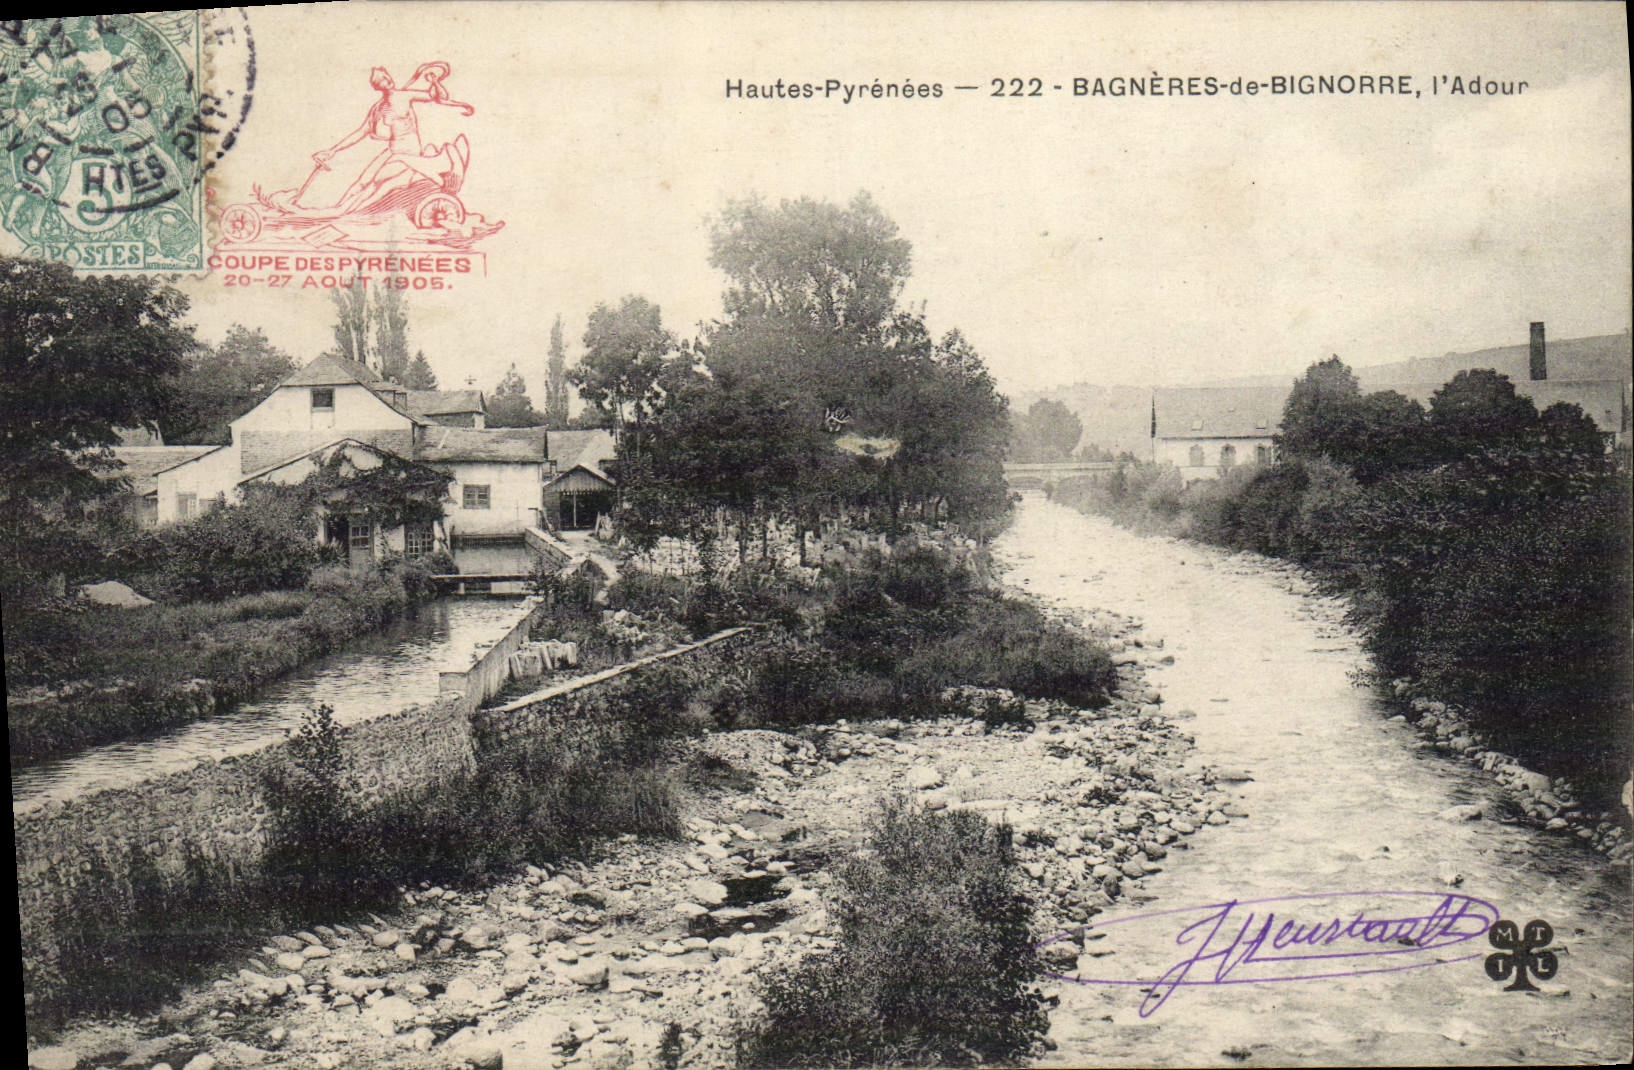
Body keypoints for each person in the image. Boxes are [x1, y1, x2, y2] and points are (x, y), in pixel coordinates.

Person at [280, 62, 472, 214]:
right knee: (360, 183)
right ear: (376, 86)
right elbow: (361, 132)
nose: (386, 80)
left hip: (408, 155)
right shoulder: (378, 108)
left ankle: (338, 212)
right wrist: (333, 150)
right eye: (381, 79)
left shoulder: (404, 96)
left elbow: (439, 97)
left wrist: (434, 81)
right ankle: (332, 209)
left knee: (372, 187)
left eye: (386, 76)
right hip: (392, 152)